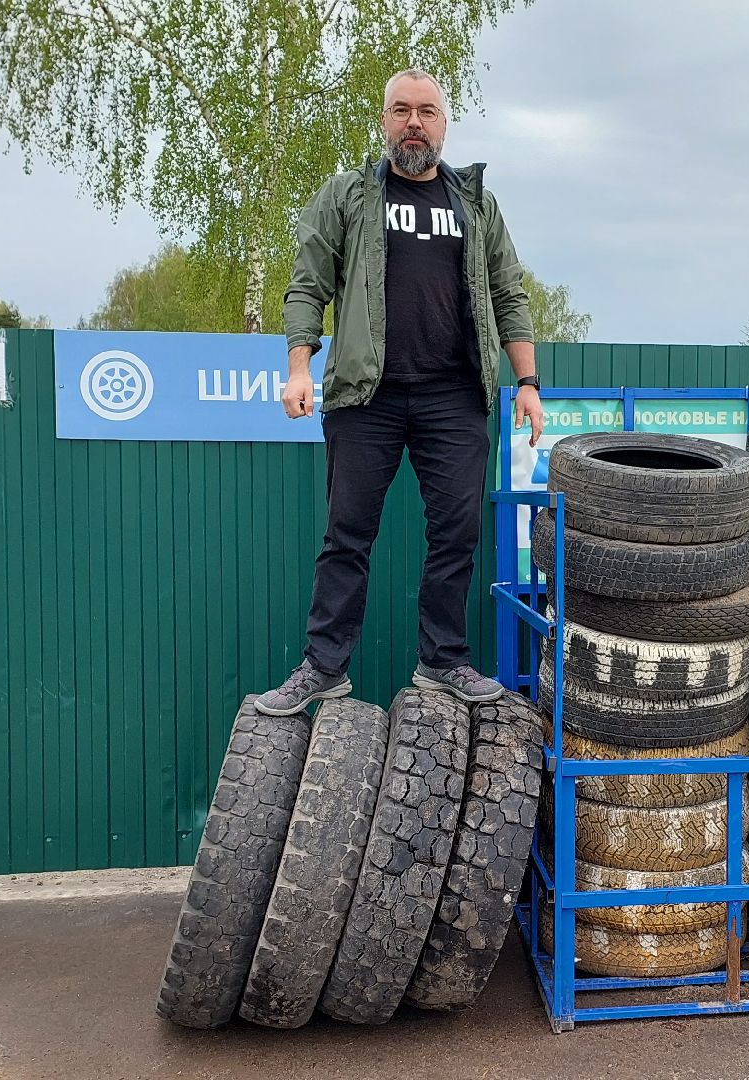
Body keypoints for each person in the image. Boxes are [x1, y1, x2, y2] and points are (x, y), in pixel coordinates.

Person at [255, 67, 547, 716]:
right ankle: (323, 667)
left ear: (444, 123)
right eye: (400, 110)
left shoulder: (475, 203)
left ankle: (443, 661)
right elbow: (307, 285)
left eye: (426, 111)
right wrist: (299, 366)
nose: (413, 121)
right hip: (366, 395)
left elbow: (509, 294)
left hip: (453, 396)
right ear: (384, 120)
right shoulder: (348, 195)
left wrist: (526, 381)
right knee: (346, 535)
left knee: (457, 532)